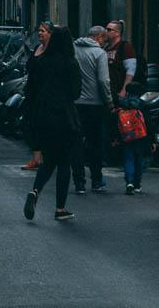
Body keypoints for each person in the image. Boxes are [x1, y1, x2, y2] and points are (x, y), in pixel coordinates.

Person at [23, 25, 82, 223]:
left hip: (42, 117)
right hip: (64, 118)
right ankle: (60, 208)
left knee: (48, 161)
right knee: (64, 163)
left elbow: (30, 88)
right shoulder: (70, 62)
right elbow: (76, 93)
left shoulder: (43, 62)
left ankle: (35, 190)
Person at [72, 25, 114, 194]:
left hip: (75, 103)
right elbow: (104, 81)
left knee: (76, 143)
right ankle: (96, 180)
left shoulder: (73, 50)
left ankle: (79, 182)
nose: (105, 43)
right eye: (104, 39)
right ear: (98, 37)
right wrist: (109, 101)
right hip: (94, 105)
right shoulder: (99, 54)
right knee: (95, 143)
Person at [22, 21, 53, 170]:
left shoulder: (53, 52)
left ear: (51, 34)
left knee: (45, 126)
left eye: (44, 31)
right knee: (31, 125)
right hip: (32, 94)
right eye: (39, 31)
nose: (40, 33)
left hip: (46, 95)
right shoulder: (37, 48)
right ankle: (36, 159)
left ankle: (48, 158)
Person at [105, 20, 137, 98]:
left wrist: (124, 91)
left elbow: (130, 70)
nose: (105, 31)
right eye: (105, 29)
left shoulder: (125, 47)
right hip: (108, 92)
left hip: (118, 91)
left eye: (109, 30)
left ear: (117, 33)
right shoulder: (106, 48)